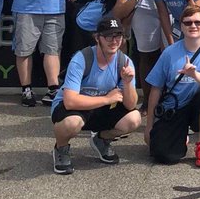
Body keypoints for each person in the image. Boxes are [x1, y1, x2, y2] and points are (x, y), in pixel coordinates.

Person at [50, 18, 142, 175]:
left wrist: (127, 83)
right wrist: (107, 99)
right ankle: (61, 148)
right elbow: (70, 101)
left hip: (102, 108)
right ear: (97, 37)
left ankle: (101, 139)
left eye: (118, 36)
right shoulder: (81, 59)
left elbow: (130, 105)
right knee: (71, 123)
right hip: (76, 107)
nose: (114, 41)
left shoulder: (124, 62)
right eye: (108, 36)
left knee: (134, 119)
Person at [144, 3, 200, 168]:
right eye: (188, 22)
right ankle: (179, 135)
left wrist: (195, 75)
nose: (193, 26)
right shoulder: (169, 53)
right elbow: (156, 89)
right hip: (174, 107)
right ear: (181, 26)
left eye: (198, 22)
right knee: (164, 156)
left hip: (198, 106)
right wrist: (149, 126)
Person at [105, 0, 162, 99]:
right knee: (141, 59)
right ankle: (136, 97)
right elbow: (118, 12)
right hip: (131, 28)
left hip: (155, 22)